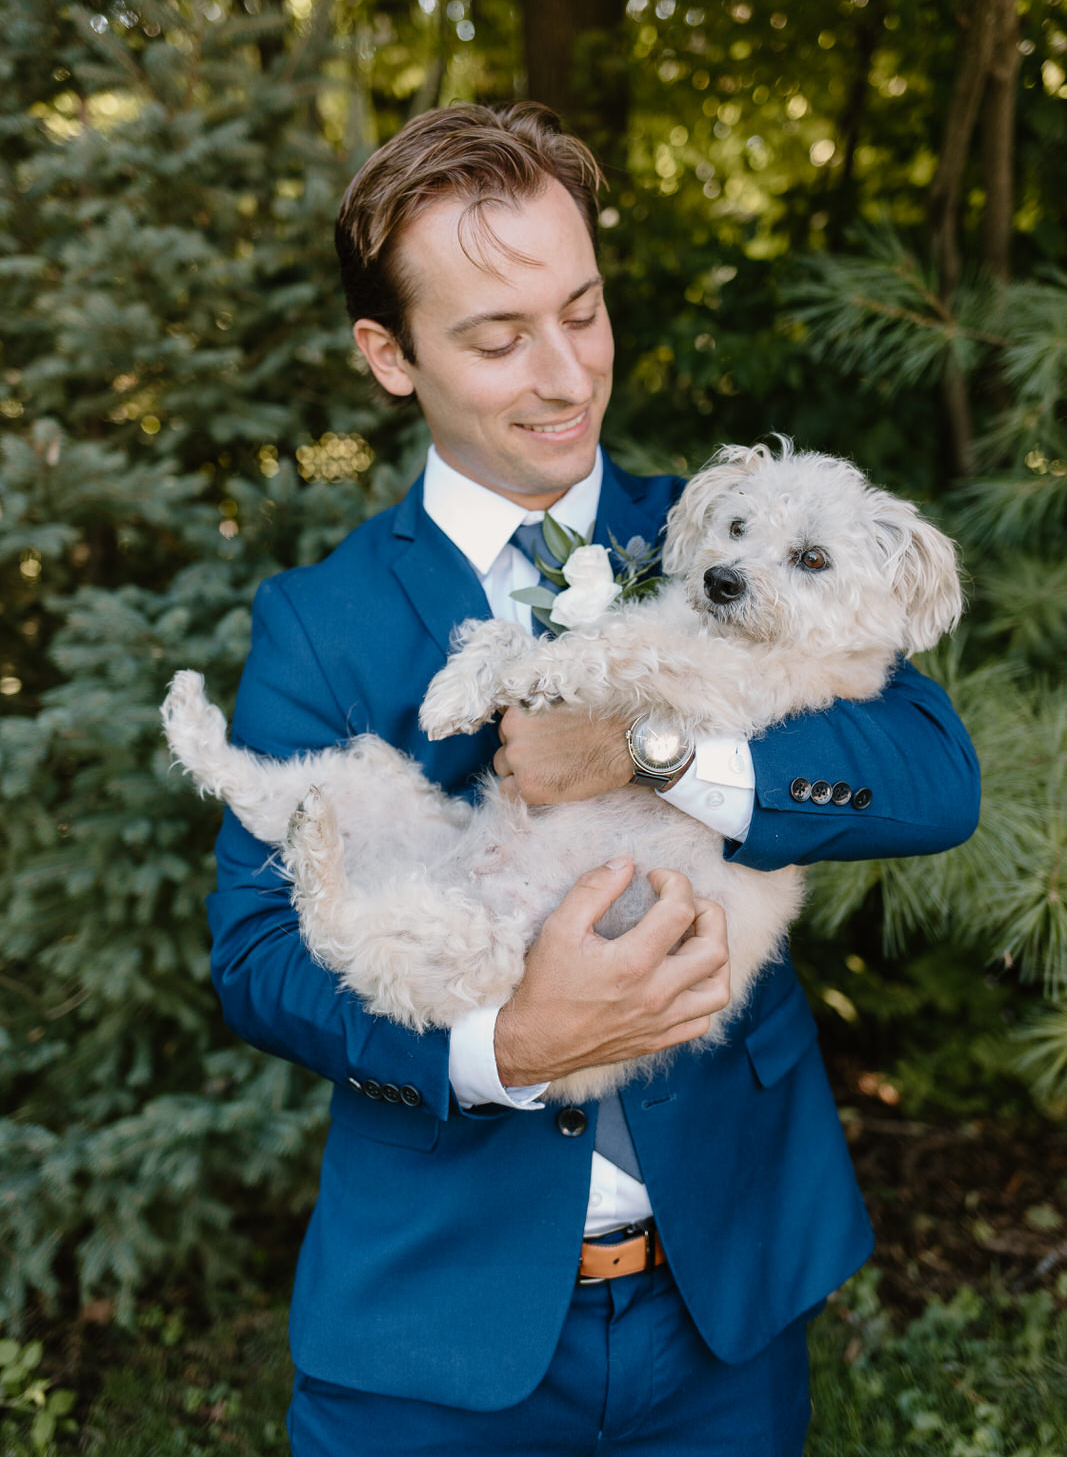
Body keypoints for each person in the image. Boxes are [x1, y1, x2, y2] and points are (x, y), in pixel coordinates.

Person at [209, 101, 980, 1456]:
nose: (566, 375)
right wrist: (503, 1048)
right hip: (435, 1337)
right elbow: (260, 957)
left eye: (583, 310)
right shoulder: (318, 623)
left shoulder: (730, 529)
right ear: (389, 359)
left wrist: (647, 749)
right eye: (500, 339)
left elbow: (931, 774)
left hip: (722, 1313)